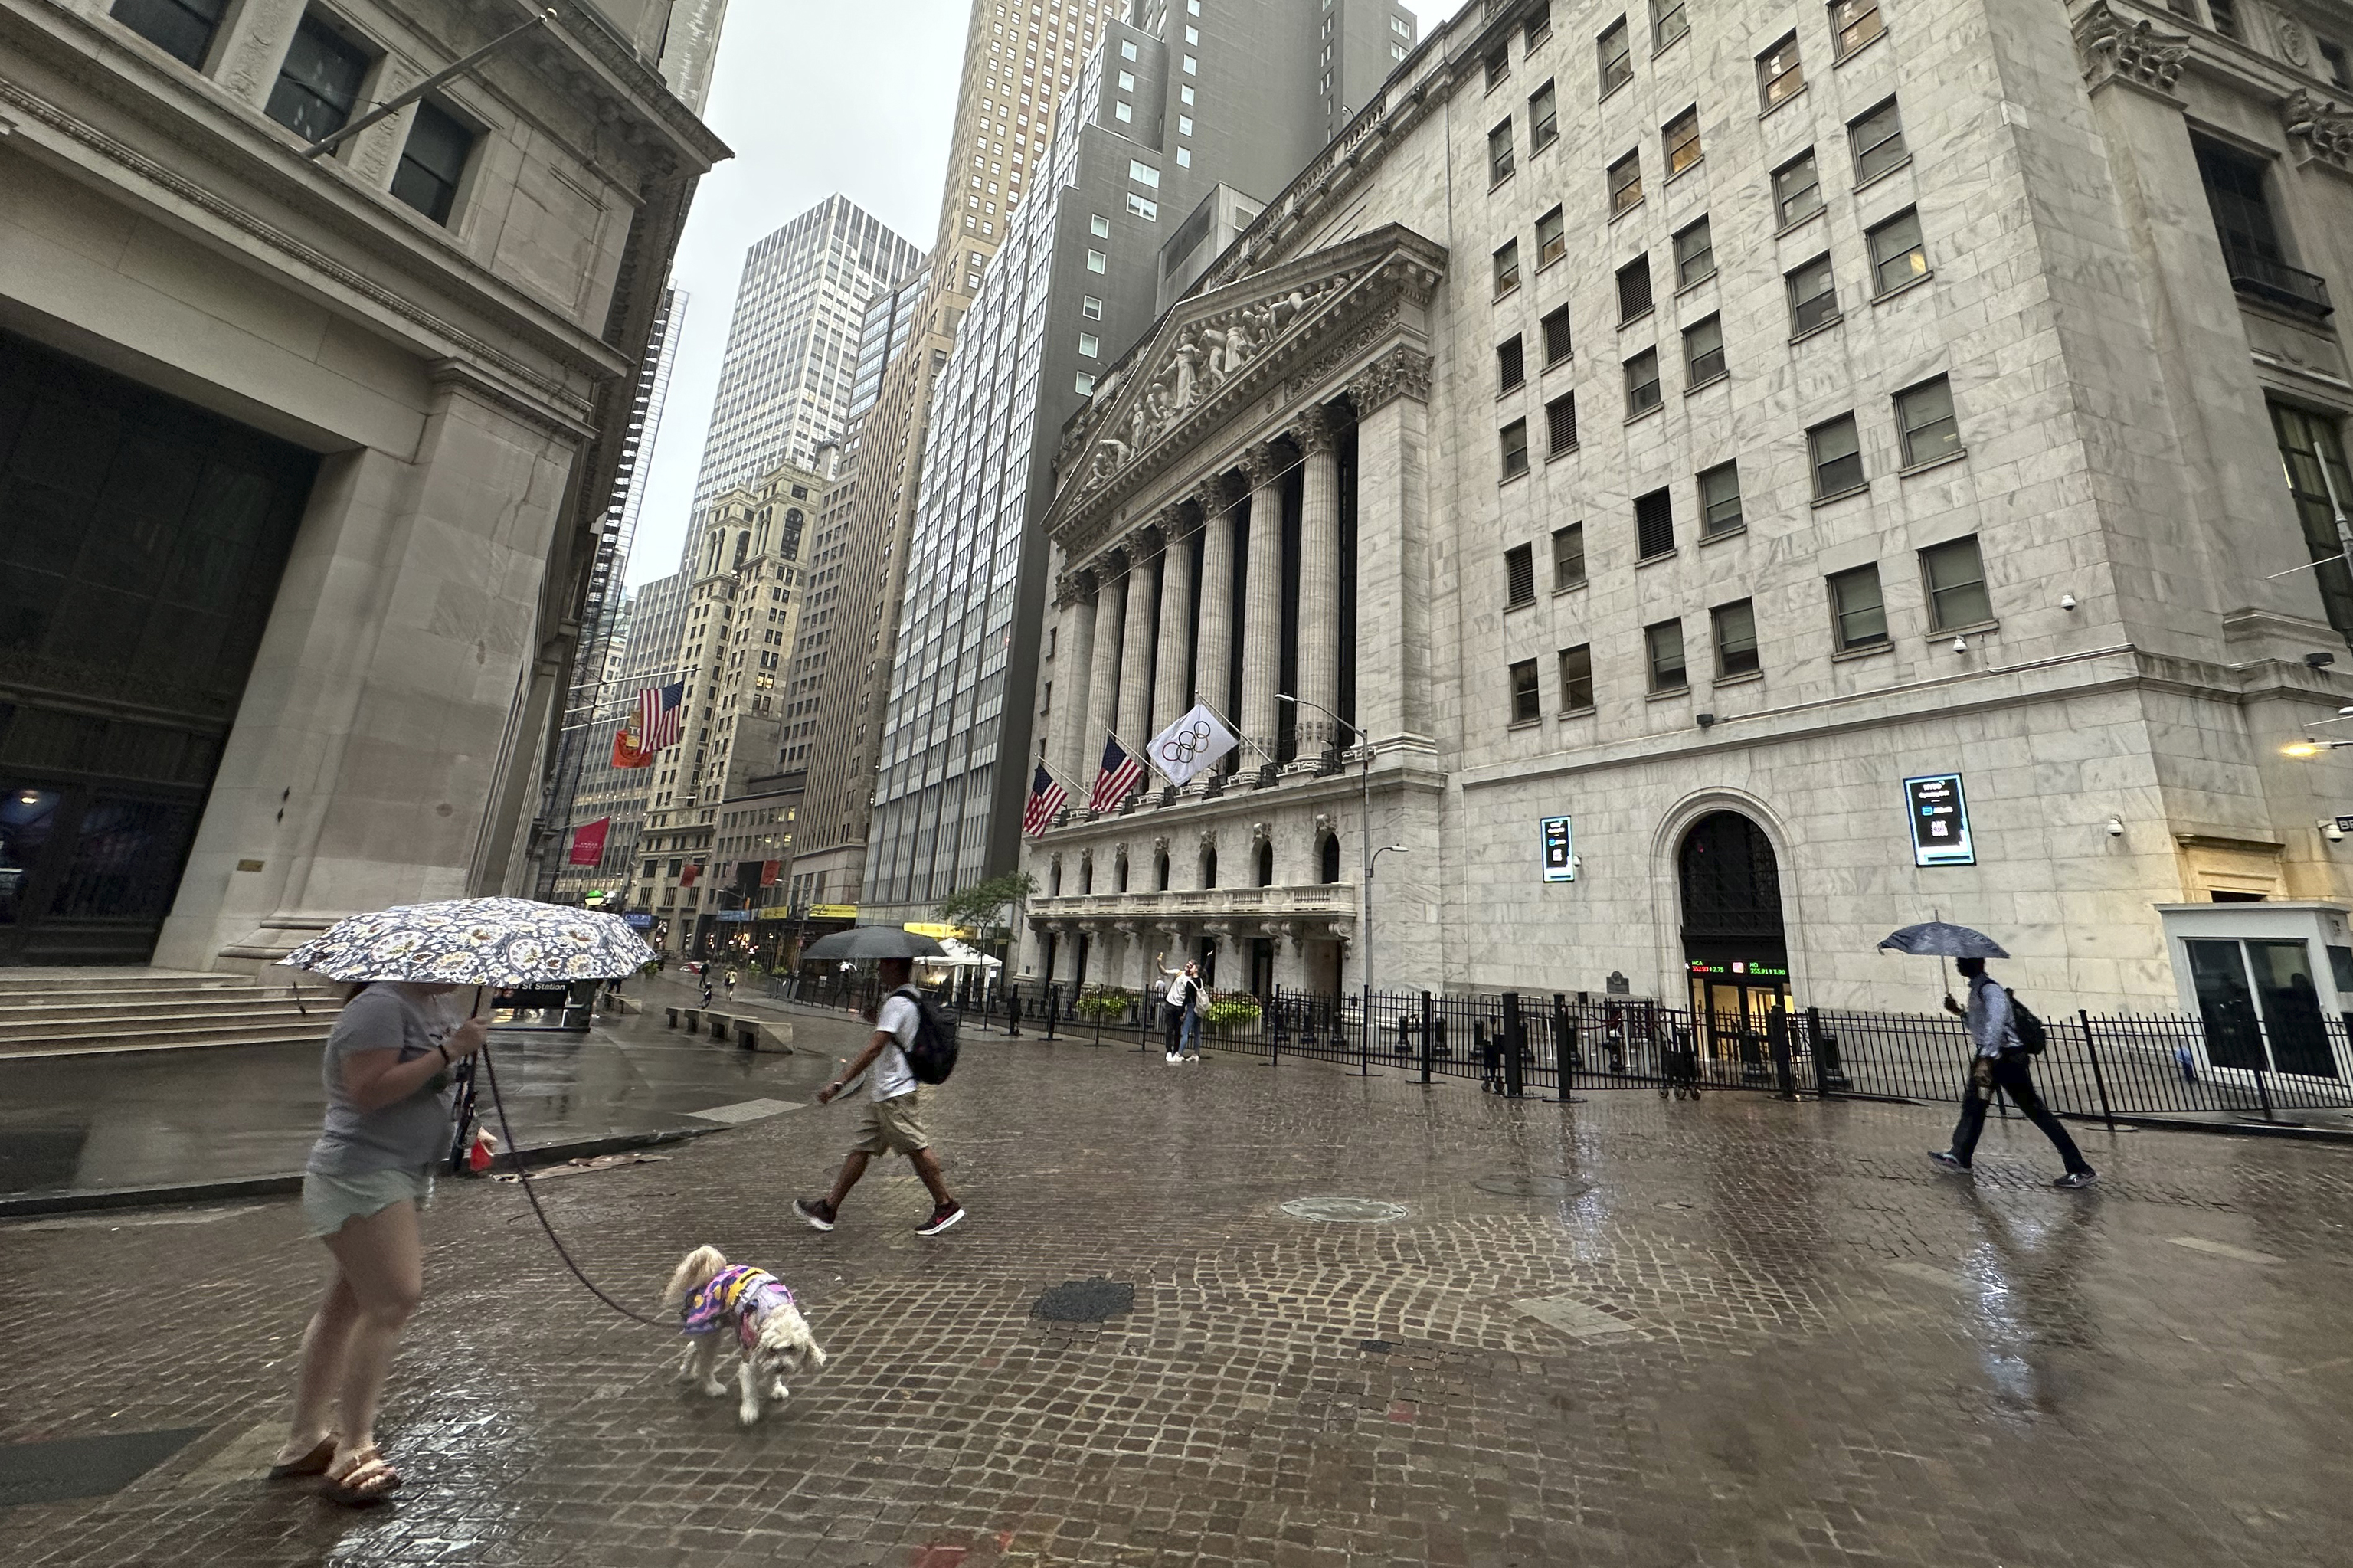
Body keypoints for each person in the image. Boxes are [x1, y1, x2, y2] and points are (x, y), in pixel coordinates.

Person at [270, 982, 488, 1506]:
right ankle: (354, 1446)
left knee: (347, 1305)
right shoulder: (378, 1006)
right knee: (394, 1298)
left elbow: (423, 1086)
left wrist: (467, 1129)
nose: (459, 971)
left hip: (399, 1169)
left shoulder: (431, 1005)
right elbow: (367, 1090)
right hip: (363, 1172)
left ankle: (304, 1439)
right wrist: (451, 1049)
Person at [795, 956, 965, 1236]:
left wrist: (840, 1082)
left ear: (894, 966)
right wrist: (877, 1019)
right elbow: (899, 1036)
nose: (878, 969)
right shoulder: (909, 996)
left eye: (883, 964)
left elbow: (874, 1049)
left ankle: (945, 1204)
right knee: (861, 1149)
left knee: (917, 1147)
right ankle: (828, 1208)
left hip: (895, 1092)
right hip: (885, 1092)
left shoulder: (897, 1003)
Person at [1932, 957, 2096, 1188]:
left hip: (2005, 1059)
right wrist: (1960, 1013)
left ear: (1976, 963)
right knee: (1974, 1105)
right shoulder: (1978, 990)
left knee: (2035, 1111)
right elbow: (1982, 1025)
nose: (1958, 964)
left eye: (1962, 960)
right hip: (1992, 1056)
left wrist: (1986, 1058)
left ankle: (2080, 1168)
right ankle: (1960, 1155)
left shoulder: (1990, 991)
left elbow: (1997, 1025)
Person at [1156, 957, 1205, 1064]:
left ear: (1193, 968)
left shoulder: (1192, 980)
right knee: (1170, 1028)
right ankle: (1169, 1051)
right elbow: (1164, 972)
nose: (1188, 965)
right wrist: (1158, 963)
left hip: (1180, 1007)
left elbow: (1188, 996)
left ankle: (1177, 1052)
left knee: (1179, 1030)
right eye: (1188, 963)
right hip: (1170, 1003)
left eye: (1191, 965)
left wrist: (1183, 1011)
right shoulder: (1178, 973)